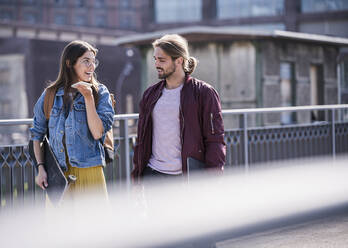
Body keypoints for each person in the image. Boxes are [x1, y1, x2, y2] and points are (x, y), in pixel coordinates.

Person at [132, 34, 226, 182]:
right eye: (155, 59)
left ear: (179, 60)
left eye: (162, 60)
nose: (157, 64)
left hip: (186, 178)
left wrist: (213, 180)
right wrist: (137, 176)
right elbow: (141, 140)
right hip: (153, 174)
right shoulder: (150, 94)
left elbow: (215, 139)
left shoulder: (204, 93)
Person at [30, 40, 114, 199]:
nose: (92, 66)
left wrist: (88, 98)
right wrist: (40, 169)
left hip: (90, 172)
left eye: (93, 61)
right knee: (60, 224)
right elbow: (36, 135)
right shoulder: (50, 95)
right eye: (86, 61)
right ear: (70, 63)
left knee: (92, 223)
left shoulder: (100, 93)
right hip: (58, 177)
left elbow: (97, 133)